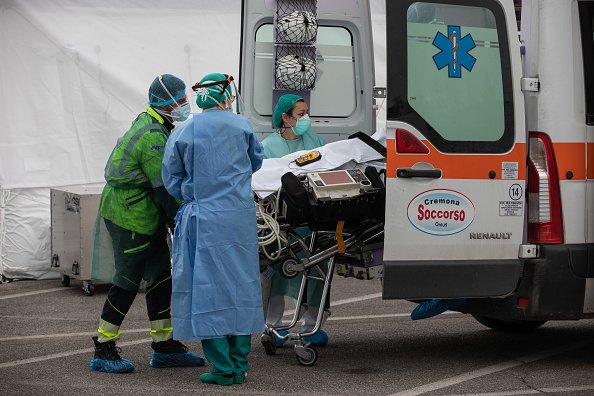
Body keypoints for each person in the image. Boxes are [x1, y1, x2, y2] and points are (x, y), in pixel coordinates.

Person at [90, 74, 206, 374]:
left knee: (160, 276)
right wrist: (180, 219)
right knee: (128, 280)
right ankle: (103, 345)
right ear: (166, 103)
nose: (184, 105)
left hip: (143, 212)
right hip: (130, 215)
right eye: (180, 101)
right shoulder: (153, 136)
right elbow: (165, 188)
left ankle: (164, 345)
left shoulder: (156, 122)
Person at [162, 72, 265, 386]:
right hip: (238, 218)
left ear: (201, 96)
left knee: (208, 290)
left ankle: (221, 368)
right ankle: (239, 364)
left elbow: (171, 177)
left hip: (203, 220)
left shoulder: (187, 130)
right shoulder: (242, 125)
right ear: (227, 95)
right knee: (241, 286)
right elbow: (256, 161)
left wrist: (195, 194)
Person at [261, 94, 329, 347]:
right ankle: (274, 325)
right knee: (280, 270)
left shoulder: (316, 142)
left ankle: (312, 326)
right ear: (285, 118)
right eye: (300, 114)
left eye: (306, 112)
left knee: (318, 272)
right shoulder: (268, 147)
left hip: (314, 220)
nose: (306, 119)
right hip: (282, 221)